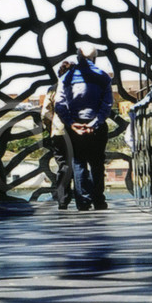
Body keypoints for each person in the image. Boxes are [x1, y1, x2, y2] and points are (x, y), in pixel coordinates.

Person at [54, 45, 114, 211]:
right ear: (95, 58)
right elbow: (107, 104)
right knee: (97, 163)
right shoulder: (103, 77)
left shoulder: (66, 77)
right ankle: (99, 201)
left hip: (74, 126)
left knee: (78, 163)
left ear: (78, 57)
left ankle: (83, 202)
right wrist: (94, 123)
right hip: (96, 126)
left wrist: (72, 124)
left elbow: (59, 104)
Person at [39, 77, 73, 209]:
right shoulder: (78, 87)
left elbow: (46, 113)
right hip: (77, 131)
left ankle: (62, 200)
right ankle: (84, 199)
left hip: (59, 132)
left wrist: (50, 128)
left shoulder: (53, 89)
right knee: (79, 163)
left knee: (63, 165)